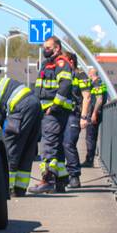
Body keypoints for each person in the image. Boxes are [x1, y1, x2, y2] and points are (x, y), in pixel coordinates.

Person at [0, 73, 42, 197]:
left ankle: (6, 188)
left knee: (9, 148)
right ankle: (20, 188)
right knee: (27, 148)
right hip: (35, 104)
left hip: (21, 107)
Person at [29, 36, 75, 193]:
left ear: (57, 48)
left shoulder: (61, 63)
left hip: (55, 111)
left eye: (48, 48)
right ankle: (61, 182)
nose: (44, 50)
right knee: (58, 146)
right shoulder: (46, 64)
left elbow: (65, 85)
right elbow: (39, 87)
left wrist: (54, 105)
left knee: (48, 145)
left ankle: (46, 179)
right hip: (47, 109)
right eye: (44, 47)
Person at [60, 52, 88, 189]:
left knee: (68, 143)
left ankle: (74, 176)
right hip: (60, 114)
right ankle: (60, 176)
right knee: (58, 145)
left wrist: (83, 117)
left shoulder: (81, 75)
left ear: (70, 61)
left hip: (74, 114)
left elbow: (87, 97)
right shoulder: (61, 73)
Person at [81, 67, 108, 168]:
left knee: (90, 137)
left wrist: (94, 113)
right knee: (91, 136)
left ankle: (89, 160)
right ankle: (89, 159)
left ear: (91, 74)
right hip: (97, 112)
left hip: (95, 113)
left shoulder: (96, 83)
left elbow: (99, 99)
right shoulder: (101, 82)